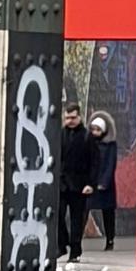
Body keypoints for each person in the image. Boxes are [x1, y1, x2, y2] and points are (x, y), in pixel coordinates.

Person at [57, 101, 95, 262]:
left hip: (80, 184)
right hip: (62, 183)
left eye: (73, 118)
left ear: (79, 117)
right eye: (67, 118)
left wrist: (91, 184)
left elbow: (94, 162)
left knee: (76, 220)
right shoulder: (60, 135)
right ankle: (62, 244)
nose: (70, 121)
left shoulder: (87, 136)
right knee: (58, 216)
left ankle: (75, 251)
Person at [85, 110, 121, 255]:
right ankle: (76, 240)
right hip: (91, 182)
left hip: (105, 185)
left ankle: (110, 240)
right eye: (93, 129)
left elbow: (111, 164)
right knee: (84, 210)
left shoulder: (110, 145)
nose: (95, 132)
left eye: (98, 130)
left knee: (108, 213)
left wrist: (104, 183)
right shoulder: (88, 143)